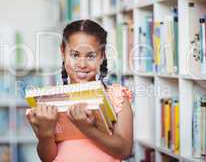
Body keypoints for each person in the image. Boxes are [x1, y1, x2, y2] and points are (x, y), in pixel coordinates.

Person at [26, 19, 133, 162]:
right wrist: (45, 134)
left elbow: (124, 151)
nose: (82, 64)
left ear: (102, 56)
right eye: (75, 55)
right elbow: (47, 158)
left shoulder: (117, 97)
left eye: (90, 56)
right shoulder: (50, 102)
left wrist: (87, 129)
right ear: (63, 52)